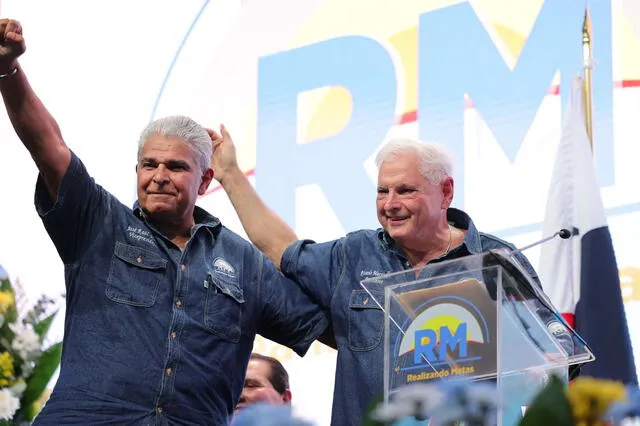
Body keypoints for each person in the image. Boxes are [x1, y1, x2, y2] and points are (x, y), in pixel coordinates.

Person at [0, 19, 329, 425]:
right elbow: (49, 147)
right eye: (149, 164)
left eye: (175, 167)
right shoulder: (98, 223)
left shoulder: (243, 263)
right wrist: (8, 72)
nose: (158, 176)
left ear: (206, 180)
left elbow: (324, 326)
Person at [210, 127, 575, 426]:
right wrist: (229, 174)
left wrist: (536, 376)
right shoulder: (352, 256)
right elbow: (279, 247)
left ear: (445, 191)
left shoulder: (495, 262)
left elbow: (558, 353)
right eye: (383, 191)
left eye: (405, 190)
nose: (389, 203)